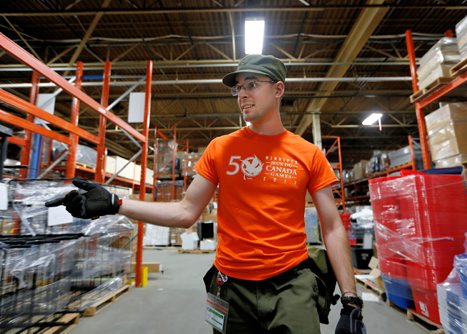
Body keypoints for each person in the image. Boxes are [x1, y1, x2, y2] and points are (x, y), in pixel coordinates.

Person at [46, 54, 366, 334]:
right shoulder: (220, 149)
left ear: (278, 89)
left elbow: (333, 226)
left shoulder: (308, 154)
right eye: (237, 87)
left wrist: (350, 299)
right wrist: (117, 204)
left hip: (290, 285)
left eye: (251, 84)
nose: (242, 94)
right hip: (231, 288)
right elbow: (186, 211)